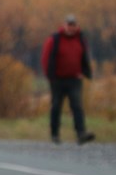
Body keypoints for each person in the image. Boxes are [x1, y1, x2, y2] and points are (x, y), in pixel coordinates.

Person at [40, 15, 95, 144]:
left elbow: (85, 56)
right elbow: (45, 58)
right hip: (57, 80)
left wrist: (84, 72)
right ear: (64, 25)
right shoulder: (54, 39)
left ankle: (81, 133)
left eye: (73, 25)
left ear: (76, 26)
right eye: (69, 24)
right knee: (56, 106)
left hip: (74, 79)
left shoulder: (80, 39)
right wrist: (49, 75)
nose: (71, 27)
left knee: (77, 106)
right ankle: (55, 134)